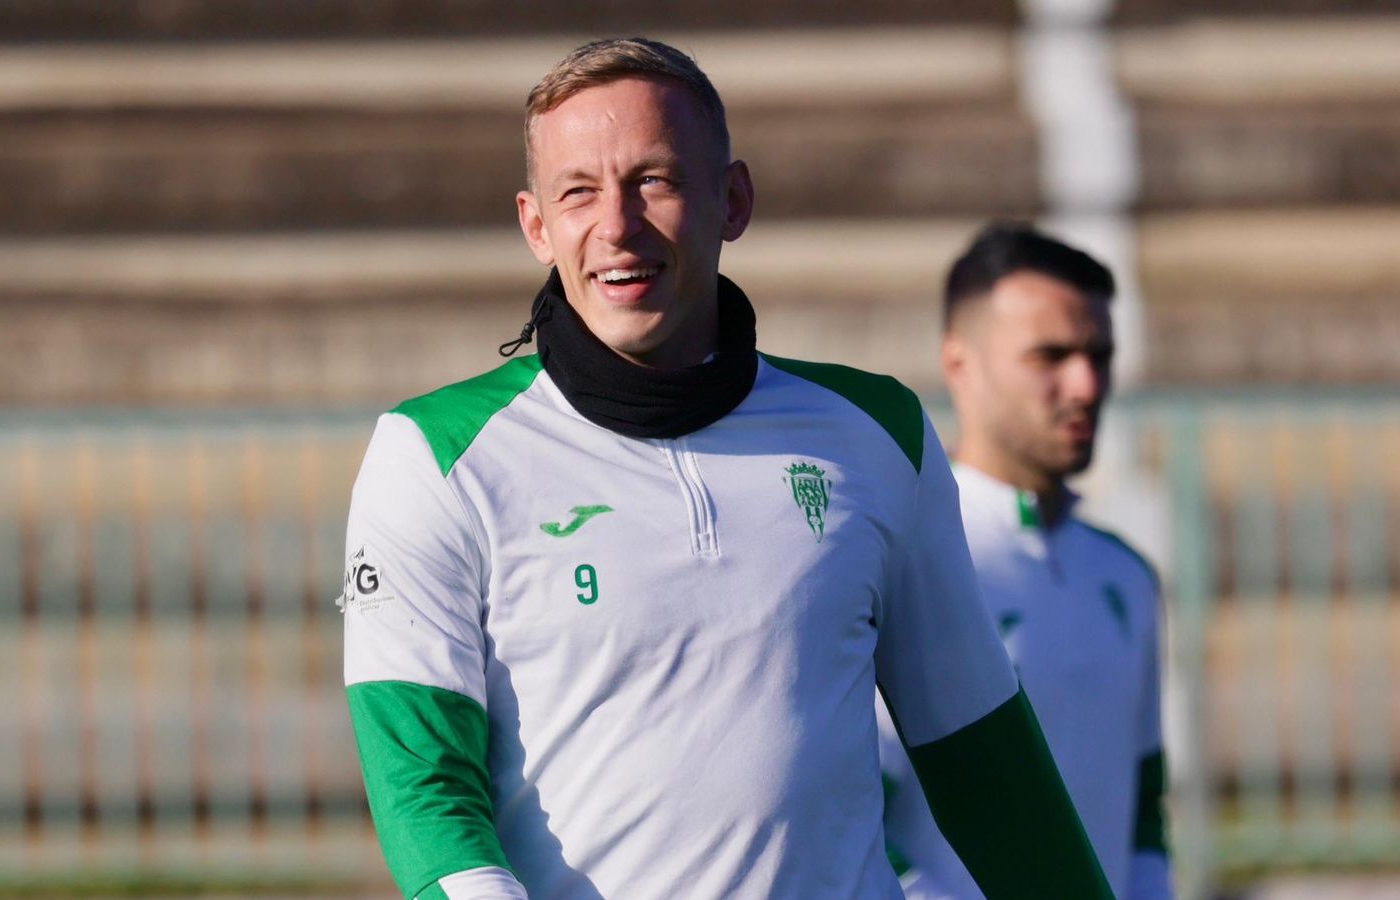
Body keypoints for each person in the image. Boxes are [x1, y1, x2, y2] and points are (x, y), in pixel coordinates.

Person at [340, 38, 1115, 900]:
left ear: (733, 200)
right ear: (535, 225)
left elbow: (985, 761)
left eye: (655, 181)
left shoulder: (876, 432)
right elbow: (424, 792)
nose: (617, 226)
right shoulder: (432, 457)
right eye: (579, 192)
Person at [879, 223, 1173, 900]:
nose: (1086, 384)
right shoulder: (904, 567)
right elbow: (854, 808)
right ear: (961, 365)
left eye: (1100, 354)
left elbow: (1144, 804)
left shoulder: (1124, 574)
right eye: (1051, 356)